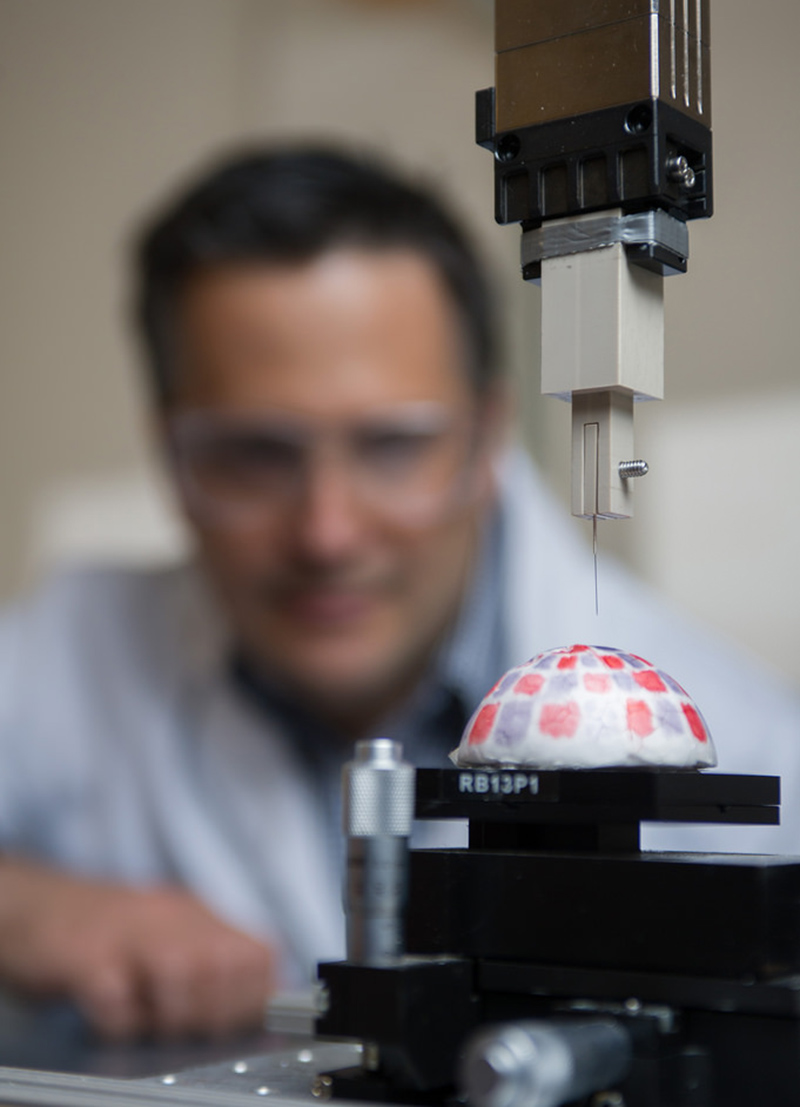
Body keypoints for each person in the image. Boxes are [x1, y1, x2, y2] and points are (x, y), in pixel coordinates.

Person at [0, 147, 797, 1042]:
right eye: (255, 454)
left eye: (391, 445)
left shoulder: (750, 749)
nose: (328, 534)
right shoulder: (71, 651)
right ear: (172, 458)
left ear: (488, 436)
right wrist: (28, 906)